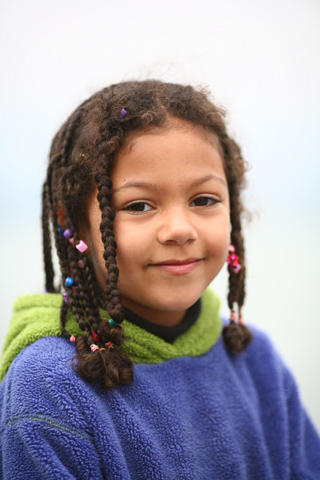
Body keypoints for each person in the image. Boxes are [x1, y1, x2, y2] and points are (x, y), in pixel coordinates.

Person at [0, 80, 319, 480]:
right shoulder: (50, 385)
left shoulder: (257, 363)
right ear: (73, 223)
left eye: (204, 199)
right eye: (138, 205)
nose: (179, 230)